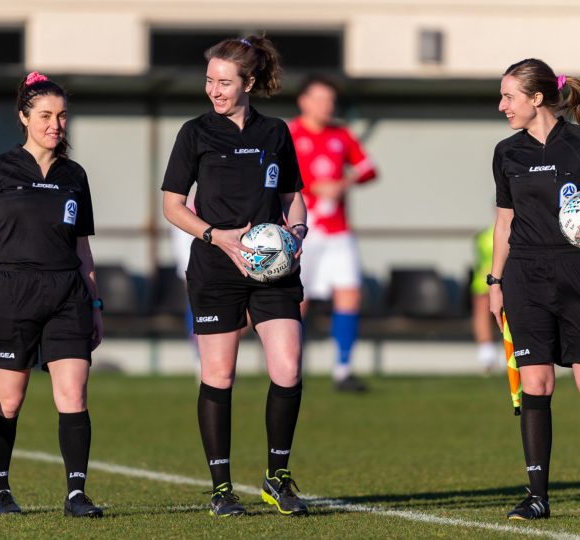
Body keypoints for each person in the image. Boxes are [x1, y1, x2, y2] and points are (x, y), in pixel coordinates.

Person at [161, 35, 309, 517]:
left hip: (273, 273)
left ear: (249, 83)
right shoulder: (195, 133)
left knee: (288, 368)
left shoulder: (275, 133)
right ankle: (222, 489)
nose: (214, 90)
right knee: (219, 375)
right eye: (209, 80)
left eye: (224, 82)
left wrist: (298, 232)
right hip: (215, 268)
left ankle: (277, 477)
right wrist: (216, 237)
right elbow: (172, 206)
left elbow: (291, 197)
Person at [490, 59, 580, 520]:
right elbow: (504, 220)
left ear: (537, 98)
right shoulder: (505, 151)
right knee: (537, 383)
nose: (502, 106)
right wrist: (495, 281)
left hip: (579, 273)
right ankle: (537, 495)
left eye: (509, 97)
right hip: (525, 277)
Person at [0, 72, 104, 518]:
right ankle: (1, 490)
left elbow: (83, 249)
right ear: (24, 117)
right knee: (10, 399)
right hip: (12, 293)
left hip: (68, 295)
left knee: (73, 395)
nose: (55, 124)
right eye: (45, 115)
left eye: (61, 116)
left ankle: (76, 493)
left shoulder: (74, 175)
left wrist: (95, 305)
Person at [289, 76, 378, 392]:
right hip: (301, 230)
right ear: (304, 101)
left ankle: (343, 369)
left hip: (338, 230)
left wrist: (344, 183)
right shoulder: (289, 133)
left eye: (330, 100)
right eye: (319, 98)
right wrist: (311, 187)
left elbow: (368, 169)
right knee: (298, 300)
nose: (326, 105)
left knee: (349, 293)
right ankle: (290, 367)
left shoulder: (341, 134)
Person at [470, 224, 499, 373]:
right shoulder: (485, 235)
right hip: (487, 282)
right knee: (482, 301)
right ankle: (486, 353)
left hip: (511, 281)